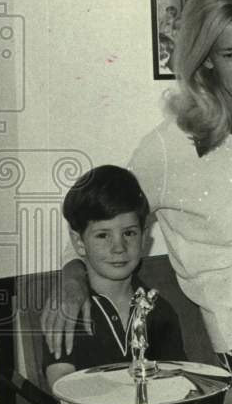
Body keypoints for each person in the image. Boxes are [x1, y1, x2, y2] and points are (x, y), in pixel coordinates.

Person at [42, 0, 232, 384]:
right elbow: (96, 216)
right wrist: (71, 277)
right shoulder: (169, 147)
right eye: (229, 53)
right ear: (206, 60)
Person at [43, 165, 185, 388]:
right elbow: (61, 383)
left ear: (144, 236)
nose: (119, 247)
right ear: (79, 241)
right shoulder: (70, 309)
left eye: (129, 233)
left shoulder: (159, 309)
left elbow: (176, 381)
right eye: (102, 235)